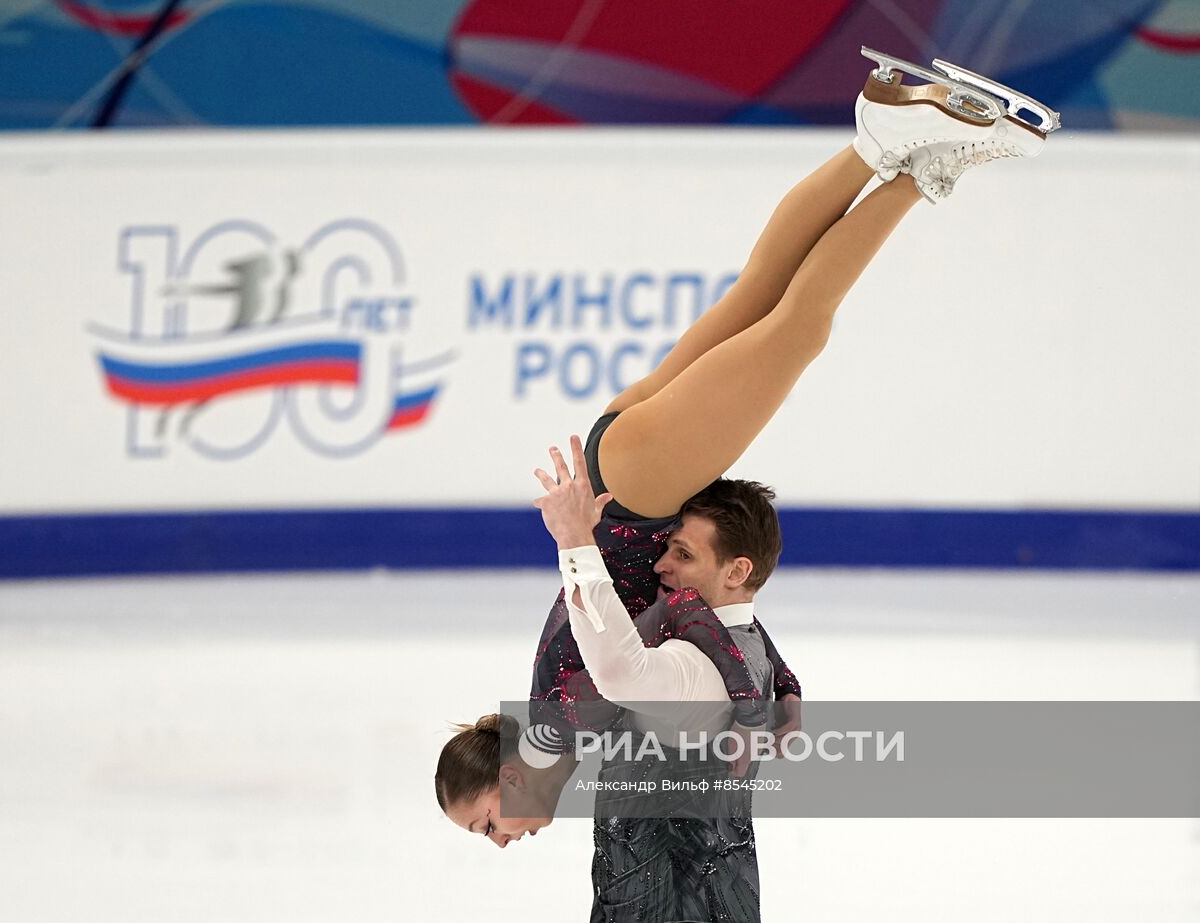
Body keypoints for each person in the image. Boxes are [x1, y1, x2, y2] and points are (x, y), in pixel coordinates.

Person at [437, 44, 1057, 919]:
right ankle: (886, 141)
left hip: (643, 489)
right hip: (628, 460)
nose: (500, 841)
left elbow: (621, 647)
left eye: (486, 823)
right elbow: (689, 624)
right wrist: (775, 681)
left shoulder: (560, 723)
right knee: (764, 297)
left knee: (797, 326)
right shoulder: (554, 723)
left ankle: (912, 162)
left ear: (504, 776)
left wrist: (578, 541)